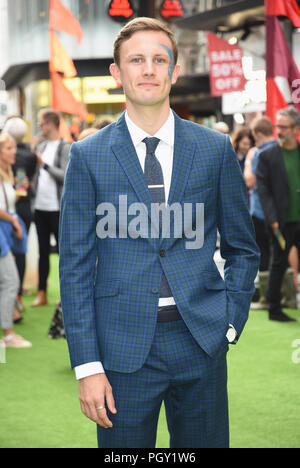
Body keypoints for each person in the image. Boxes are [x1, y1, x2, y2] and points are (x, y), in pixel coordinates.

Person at [59, 17, 260, 449]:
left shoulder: (213, 149)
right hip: (121, 350)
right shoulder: (87, 155)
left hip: (202, 339)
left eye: (158, 59)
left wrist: (231, 319)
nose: (148, 69)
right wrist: (87, 365)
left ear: (174, 71)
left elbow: (243, 248)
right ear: (117, 72)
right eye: (136, 59)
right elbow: (74, 267)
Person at [256, 106, 300, 322]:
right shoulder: (267, 157)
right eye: (277, 127)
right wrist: (272, 219)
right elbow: (263, 191)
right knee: (278, 264)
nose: (279, 131)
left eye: (284, 127)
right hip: (280, 223)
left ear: (295, 129)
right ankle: (274, 309)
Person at [32, 109, 70, 307]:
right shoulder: (42, 145)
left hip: (58, 208)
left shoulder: (65, 147)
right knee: (42, 253)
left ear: (50, 124)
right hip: (39, 207)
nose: (39, 127)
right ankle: (41, 293)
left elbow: (65, 175)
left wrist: (44, 165)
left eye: (41, 123)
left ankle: (66, 295)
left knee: (65, 254)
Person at [0, 132, 32, 348]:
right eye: (9, 148)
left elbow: (10, 200)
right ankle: (8, 333)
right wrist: (13, 220)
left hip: (7, 230)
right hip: (4, 230)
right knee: (10, 280)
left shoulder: (10, 171)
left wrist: (21, 189)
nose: (14, 152)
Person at [3, 117, 37, 310]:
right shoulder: (28, 154)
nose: (13, 151)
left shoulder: (21, 157)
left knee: (19, 251)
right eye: (8, 149)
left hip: (16, 212)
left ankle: (15, 299)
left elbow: (19, 189)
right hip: (15, 213)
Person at [244, 116, 276, 309]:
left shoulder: (258, 153)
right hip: (282, 210)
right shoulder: (284, 150)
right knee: (282, 253)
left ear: (257, 134)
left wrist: (248, 161)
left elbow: (250, 181)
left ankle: (266, 297)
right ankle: (286, 294)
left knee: (263, 253)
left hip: (261, 211)